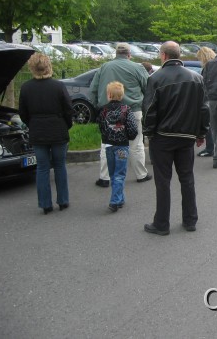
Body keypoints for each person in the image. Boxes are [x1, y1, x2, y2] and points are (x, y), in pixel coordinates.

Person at [142, 41, 210, 236]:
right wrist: (201, 132)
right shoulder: (196, 78)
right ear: (178, 55)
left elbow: (149, 110)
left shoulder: (156, 78)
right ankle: (190, 220)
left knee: (163, 181)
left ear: (163, 56)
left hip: (162, 137)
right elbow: (204, 109)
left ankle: (162, 223)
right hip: (187, 137)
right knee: (187, 178)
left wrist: (149, 132)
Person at [90, 42, 152, 186]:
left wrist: (97, 107)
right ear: (129, 54)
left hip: (108, 111)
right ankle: (141, 174)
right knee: (136, 144)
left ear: (115, 54)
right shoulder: (138, 68)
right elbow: (148, 89)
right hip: (133, 110)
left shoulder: (104, 67)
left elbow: (93, 89)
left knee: (106, 143)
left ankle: (105, 177)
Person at [19, 53, 73, 214]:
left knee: (42, 168)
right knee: (59, 166)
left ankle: (45, 204)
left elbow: (23, 113)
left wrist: (32, 124)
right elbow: (68, 109)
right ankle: (63, 201)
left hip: (37, 130)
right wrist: (66, 125)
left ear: (32, 67)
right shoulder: (58, 86)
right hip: (58, 129)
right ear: (48, 66)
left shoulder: (26, 88)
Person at [96, 82, 139, 212]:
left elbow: (101, 127)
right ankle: (115, 201)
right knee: (120, 173)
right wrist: (128, 137)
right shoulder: (127, 109)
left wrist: (106, 136)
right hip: (122, 146)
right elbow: (133, 128)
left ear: (108, 95)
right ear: (122, 95)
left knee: (113, 172)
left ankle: (119, 198)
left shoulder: (103, 110)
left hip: (108, 145)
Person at [196, 46, 216, 157]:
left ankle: (209, 149)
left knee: (208, 126)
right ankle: (215, 148)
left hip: (208, 99)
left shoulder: (208, 67)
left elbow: (204, 85)